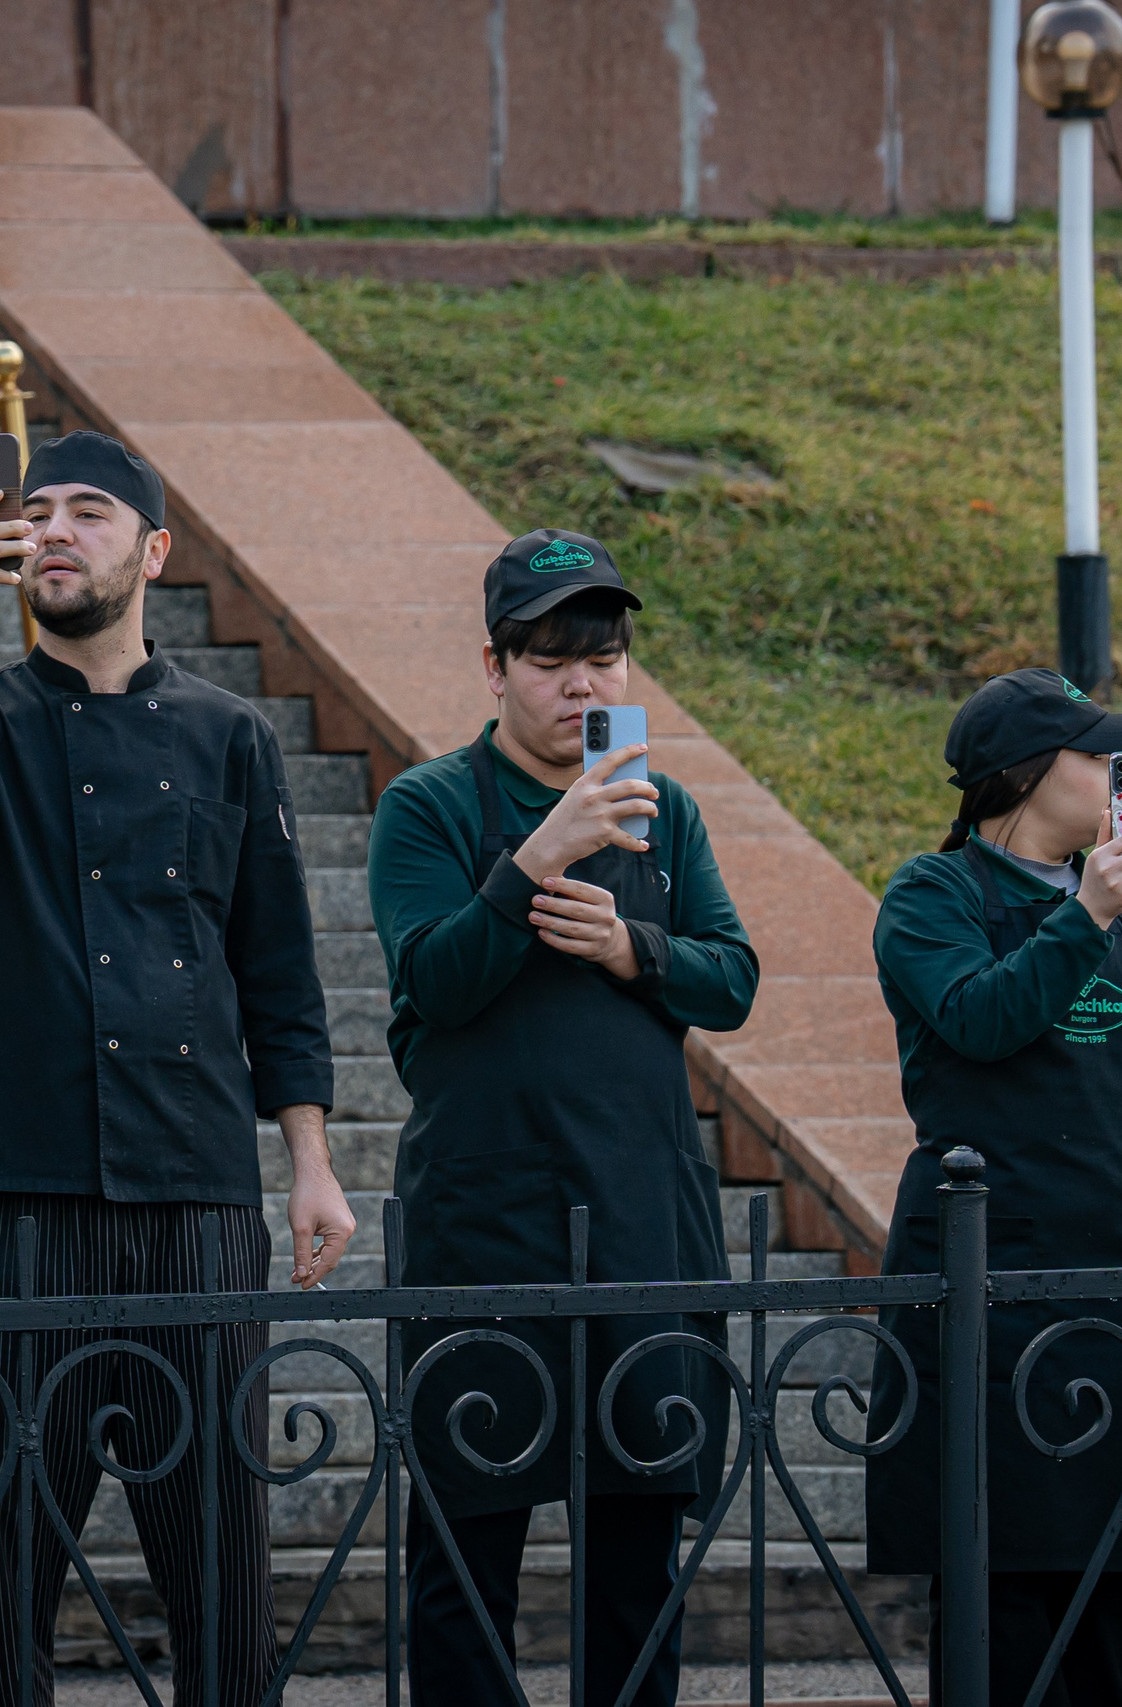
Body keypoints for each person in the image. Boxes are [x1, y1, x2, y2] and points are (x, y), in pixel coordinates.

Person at [0, 429, 349, 1707]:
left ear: (153, 551)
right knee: (2, 1555)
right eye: (39, 510)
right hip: (17, 1184)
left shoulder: (231, 736)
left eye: (92, 513)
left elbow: (276, 963)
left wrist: (312, 1165)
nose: (56, 530)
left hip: (195, 1182)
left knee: (219, 1551)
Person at [365, 529, 758, 1707]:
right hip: (486, 1226)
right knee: (464, 1554)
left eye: (603, 656)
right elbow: (431, 982)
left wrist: (637, 947)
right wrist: (536, 858)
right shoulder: (427, 805)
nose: (581, 683)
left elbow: (730, 979)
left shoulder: (665, 811)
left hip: (639, 1222)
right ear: (494, 668)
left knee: (636, 1555)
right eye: (548, 658)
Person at [864, 668, 1122, 1707]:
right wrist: (1089, 913)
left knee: (1117, 1583)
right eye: (1095, 754)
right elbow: (978, 1018)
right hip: (993, 1281)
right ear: (1023, 775)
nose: (1119, 775)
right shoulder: (931, 895)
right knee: (1001, 1586)